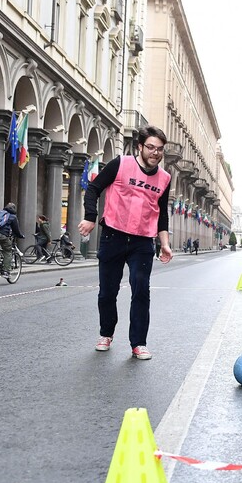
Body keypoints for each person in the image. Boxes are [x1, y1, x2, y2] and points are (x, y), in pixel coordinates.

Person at [79, 125, 172, 360]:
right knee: (108, 292)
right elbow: (94, 189)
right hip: (113, 236)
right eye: (150, 147)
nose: (155, 153)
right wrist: (90, 217)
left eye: (160, 149)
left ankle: (139, 343)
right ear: (140, 146)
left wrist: (165, 243)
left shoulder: (164, 178)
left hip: (142, 241)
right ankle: (106, 333)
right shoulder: (120, 164)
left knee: (141, 290)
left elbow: (161, 212)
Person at [0, 203, 24, 277]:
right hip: (1, 235)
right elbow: (16, 229)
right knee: (8, 251)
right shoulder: (13, 216)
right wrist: (20, 235)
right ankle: (6, 271)